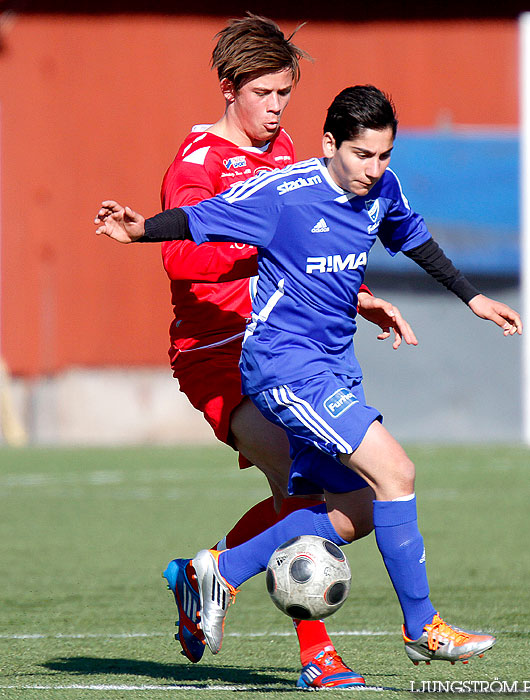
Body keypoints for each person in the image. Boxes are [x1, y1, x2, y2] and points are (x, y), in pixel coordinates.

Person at [95, 84, 522, 667]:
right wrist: (141, 230)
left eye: (383, 156)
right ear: (330, 144)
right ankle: (422, 628)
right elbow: (200, 218)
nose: (374, 169)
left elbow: (411, 235)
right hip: (283, 366)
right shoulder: (285, 195)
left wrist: (472, 299)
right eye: (361, 155)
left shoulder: (381, 189)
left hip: (334, 365)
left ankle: (217, 570)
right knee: (397, 470)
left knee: (360, 506)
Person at [157, 15, 415, 689]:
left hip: (281, 349)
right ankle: (315, 653)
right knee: (303, 483)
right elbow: (184, 257)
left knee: (320, 496)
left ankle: (203, 574)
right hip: (217, 352)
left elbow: (313, 239)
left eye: (284, 95)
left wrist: (354, 293)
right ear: (228, 88)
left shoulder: (289, 153)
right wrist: (264, 247)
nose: (275, 109)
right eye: (264, 93)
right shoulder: (198, 163)